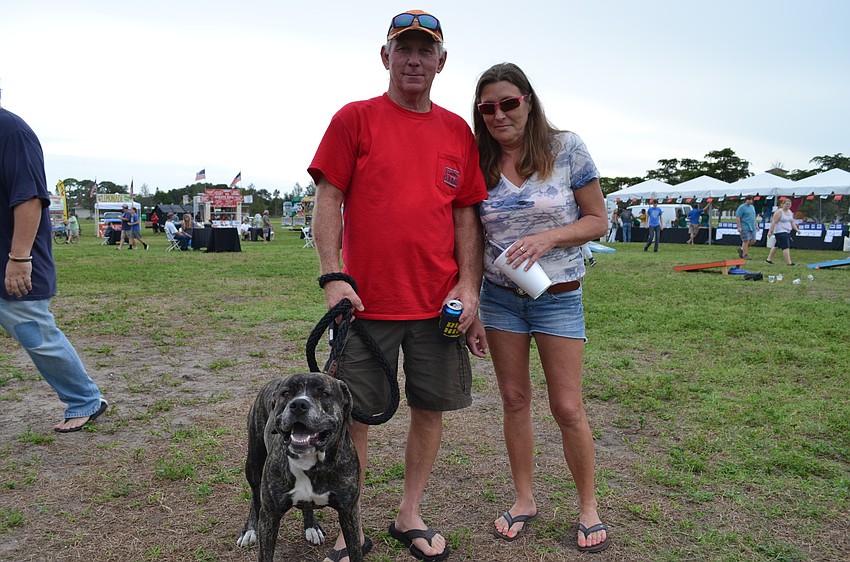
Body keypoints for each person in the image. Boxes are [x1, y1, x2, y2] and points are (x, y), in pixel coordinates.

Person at [308, 10, 488, 562]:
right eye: (403, 48)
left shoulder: (457, 129)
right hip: (365, 303)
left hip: (439, 305)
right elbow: (328, 200)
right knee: (354, 415)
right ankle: (351, 523)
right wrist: (333, 277)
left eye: (424, 50)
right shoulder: (354, 119)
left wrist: (471, 288)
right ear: (385, 56)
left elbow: (466, 218)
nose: (414, 59)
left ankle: (409, 513)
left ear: (441, 62)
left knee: (429, 409)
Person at [472, 62, 609, 553]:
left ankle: (588, 506)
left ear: (529, 100)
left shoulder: (565, 148)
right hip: (501, 300)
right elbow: (468, 234)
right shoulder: (479, 160)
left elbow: (598, 220)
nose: (498, 115)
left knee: (567, 406)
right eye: (487, 108)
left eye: (509, 103)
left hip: (557, 297)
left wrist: (549, 237)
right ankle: (524, 498)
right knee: (514, 400)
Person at [0, 107, 108, 433]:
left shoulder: (11, 131)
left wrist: (19, 259)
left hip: (12, 260)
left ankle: (85, 400)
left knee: (37, 335)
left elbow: (30, 197)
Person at [765, 198, 800, 265]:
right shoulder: (779, 212)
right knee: (786, 247)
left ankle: (768, 259)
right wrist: (770, 231)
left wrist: (797, 230)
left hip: (787, 231)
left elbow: (792, 222)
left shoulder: (790, 212)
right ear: (782, 204)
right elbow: (774, 222)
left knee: (776, 245)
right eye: (787, 204)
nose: (788, 205)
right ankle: (789, 262)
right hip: (780, 232)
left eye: (789, 204)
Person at [735, 195, 757, 260]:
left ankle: (742, 249)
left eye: (751, 200)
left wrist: (756, 224)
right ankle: (745, 255)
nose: (750, 201)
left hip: (752, 226)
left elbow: (753, 217)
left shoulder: (752, 207)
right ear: (746, 200)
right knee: (746, 241)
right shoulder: (741, 207)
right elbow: (738, 216)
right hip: (745, 226)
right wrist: (739, 226)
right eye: (748, 199)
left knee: (753, 241)